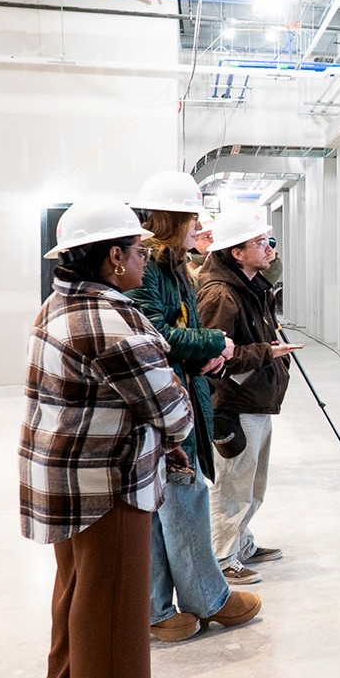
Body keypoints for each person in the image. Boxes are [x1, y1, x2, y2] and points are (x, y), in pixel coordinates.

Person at [21, 198, 192, 678]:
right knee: (114, 606)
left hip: (65, 481)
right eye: (138, 250)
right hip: (108, 485)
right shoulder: (109, 322)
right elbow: (173, 414)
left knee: (79, 595)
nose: (146, 258)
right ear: (114, 258)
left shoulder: (58, 304)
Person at [132, 171, 261, 640]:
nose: (199, 226)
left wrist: (206, 354)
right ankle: (206, 599)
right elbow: (155, 334)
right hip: (164, 401)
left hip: (180, 392)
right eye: (193, 217)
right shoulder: (147, 268)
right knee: (183, 499)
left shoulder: (172, 266)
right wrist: (214, 342)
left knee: (170, 505)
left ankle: (162, 609)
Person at [196, 208, 297, 584]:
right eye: (259, 242)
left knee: (252, 485)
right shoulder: (221, 295)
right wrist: (266, 353)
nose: (269, 248)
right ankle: (222, 558)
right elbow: (211, 357)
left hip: (255, 399)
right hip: (233, 404)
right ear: (236, 252)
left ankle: (242, 543)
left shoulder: (250, 285)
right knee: (232, 488)